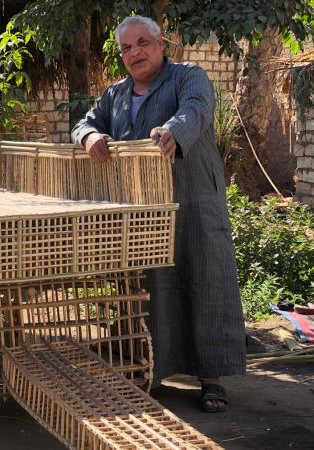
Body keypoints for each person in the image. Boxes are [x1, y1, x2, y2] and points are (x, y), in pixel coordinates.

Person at [72, 16, 246, 413]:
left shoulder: (188, 77)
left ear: (161, 43)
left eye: (143, 43)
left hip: (194, 200)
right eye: (126, 48)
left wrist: (171, 131)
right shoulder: (114, 94)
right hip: (144, 209)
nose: (135, 52)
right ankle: (152, 369)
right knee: (152, 287)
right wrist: (90, 136)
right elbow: (84, 123)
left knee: (205, 280)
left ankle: (211, 379)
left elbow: (197, 110)